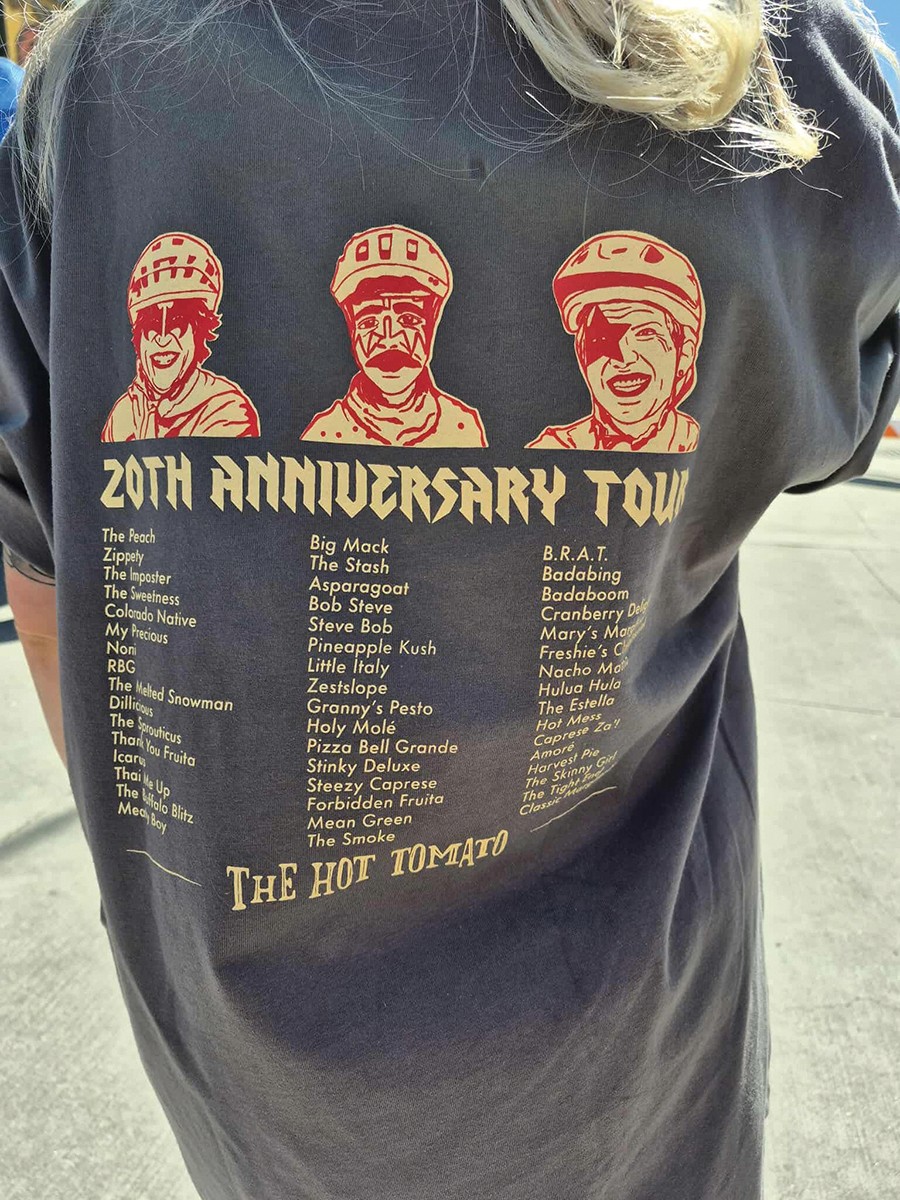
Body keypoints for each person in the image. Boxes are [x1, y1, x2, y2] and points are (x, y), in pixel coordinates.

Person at [1, 2, 898, 1199]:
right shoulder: (778, 73)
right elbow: (826, 417)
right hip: (639, 1061)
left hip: (253, 1079)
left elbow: (53, 611)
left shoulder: (91, 93)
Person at [301, 224, 488, 447]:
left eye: (409, 319)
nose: (389, 339)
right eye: (369, 322)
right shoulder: (325, 434)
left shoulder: (462, 426)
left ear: (433, 324)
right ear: (352, 329)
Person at [526, 231, 704, 452]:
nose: (623, 358)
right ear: (582, 354)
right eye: (601, 337)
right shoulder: (553, 449)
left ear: (685, 354)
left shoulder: (704, 444)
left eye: (645, 333)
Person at [101, 231, 261, 440]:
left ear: (199, 332)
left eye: (178, 321)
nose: (163, 337)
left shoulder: (228, 410)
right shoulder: (122, 415)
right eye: (151, 323)